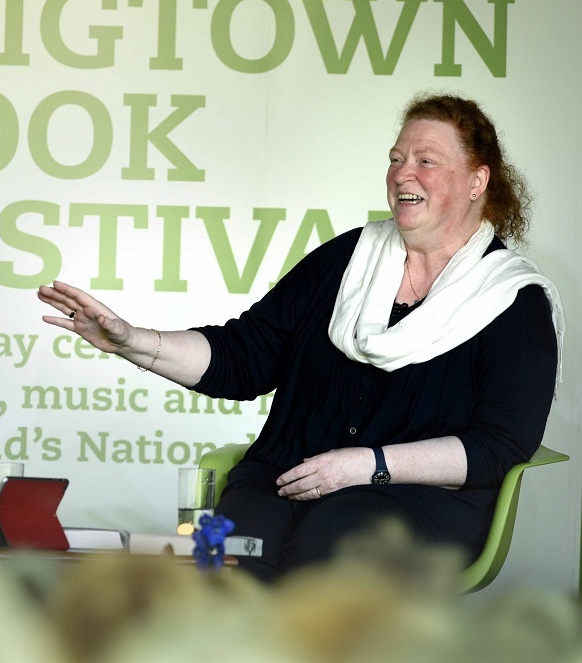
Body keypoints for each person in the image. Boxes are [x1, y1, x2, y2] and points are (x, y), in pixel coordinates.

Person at [38, 93, 563, 581]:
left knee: (327, 557)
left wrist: (366, 466)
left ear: (477, 181)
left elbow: (497, 446)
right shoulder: (348, 259)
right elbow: (245, 357)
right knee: (225, 570)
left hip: (418, 501)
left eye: (426, 161)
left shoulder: (513, 300)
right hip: (285, 476)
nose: (403, 172)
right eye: (396, 158)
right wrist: (132, 340)